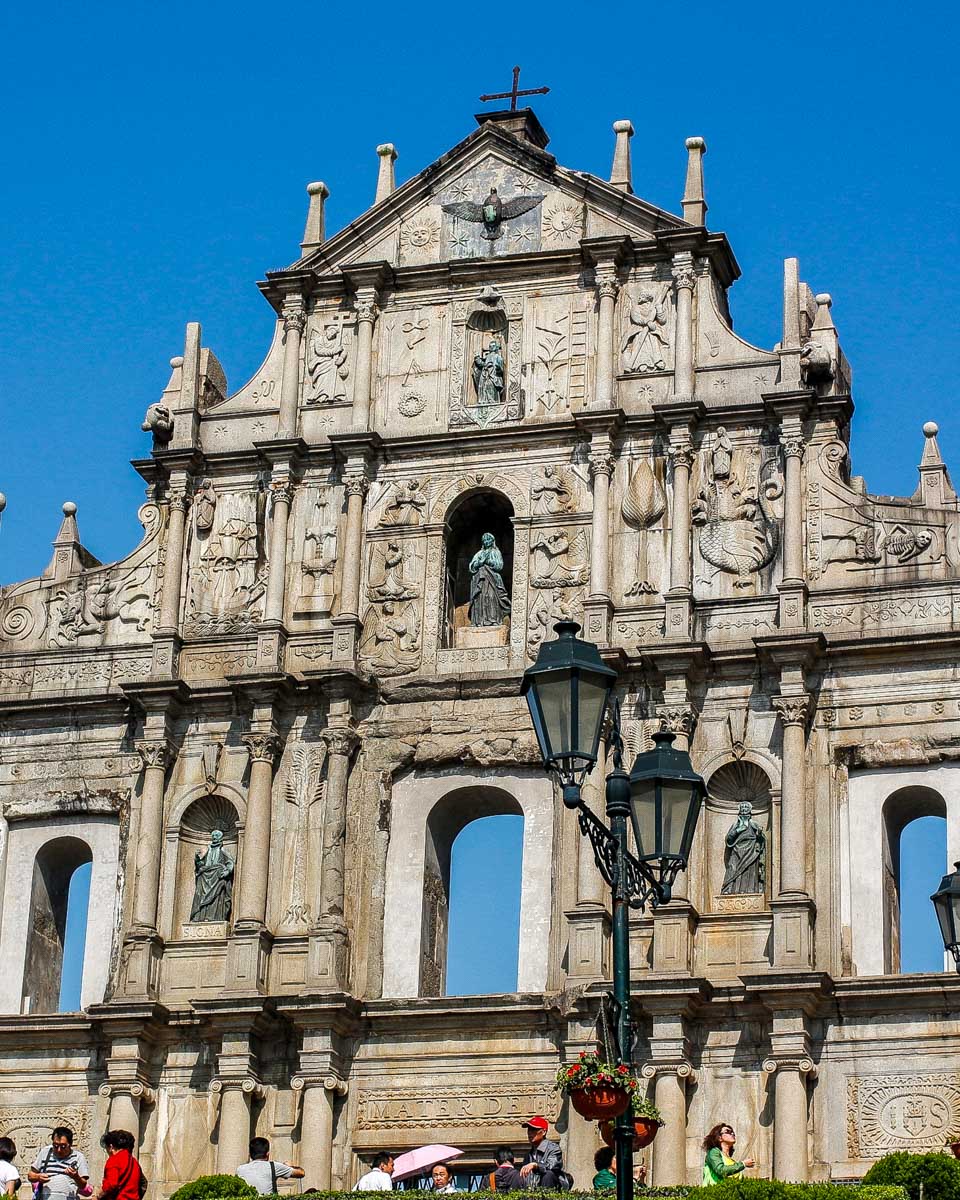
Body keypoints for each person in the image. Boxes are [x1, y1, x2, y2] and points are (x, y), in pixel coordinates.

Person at [28, 1128, 89, 1200]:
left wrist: (76, 1177)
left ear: (70, 1144)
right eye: (55, 1146)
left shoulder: (79, 1157)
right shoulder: (45, 1152)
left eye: (63, 1146)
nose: (59, 1150)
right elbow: (30, 1175)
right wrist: (38, 1177)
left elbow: (83, 1185)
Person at [236, 1138, 303, 1196]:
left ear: (249, 1155)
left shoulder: (240, 1169)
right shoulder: (273, 1166)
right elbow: (301, 1173)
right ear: (267, 1154)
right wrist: (289, 1166)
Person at [519, 1116, 566, 1190]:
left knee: (548, 1174)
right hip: (533, 1191)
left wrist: (536, 1165)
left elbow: (552, 1166)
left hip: (553, 1190)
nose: (530, 1133)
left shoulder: (554, 1148)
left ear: (543, 1132)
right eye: (529, 1130)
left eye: (534, 1130)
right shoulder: (528, 1155)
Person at [95, 1131, 143, 1200]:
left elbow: (110, 1185)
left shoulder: (114, 1160)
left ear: (111, 1147)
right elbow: (142, 1183)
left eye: (106, 1147)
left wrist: (98, 1196)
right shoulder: (134, 1161)